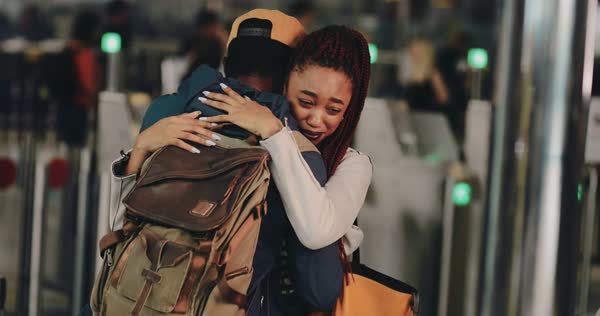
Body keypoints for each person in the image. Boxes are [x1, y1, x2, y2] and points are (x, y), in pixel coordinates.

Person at [107, 10, 360, 315]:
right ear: (291, 76)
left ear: (226, 64)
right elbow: (318, 289)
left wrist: (142, 146)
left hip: (136, 301)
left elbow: (119, 231)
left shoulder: (165, 115)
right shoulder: (295, 148)